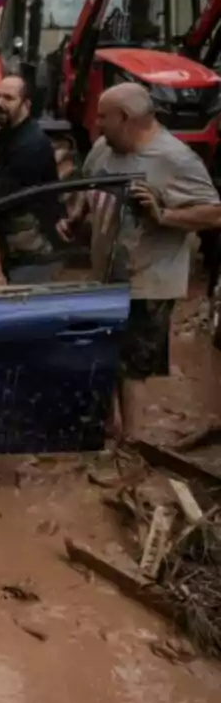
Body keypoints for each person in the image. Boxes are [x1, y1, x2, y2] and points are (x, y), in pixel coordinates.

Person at [58, 83, 221, 444]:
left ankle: (134, 443)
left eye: (103, 116)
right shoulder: (104, 148)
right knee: (107, 352)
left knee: (133, 365)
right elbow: (88, 189)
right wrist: (74, 217)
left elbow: (214, 213)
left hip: (151, 278)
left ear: (126, 119)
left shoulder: (175, 159)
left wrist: (162, 215)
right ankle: (113, 428)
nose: (96, 123)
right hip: (107, 272)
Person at [0, 74, 62, 285]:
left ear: (26, 104)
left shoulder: (32, 145)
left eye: (8, 98)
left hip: (31, 252)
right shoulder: (5, 135)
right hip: (7, 242)